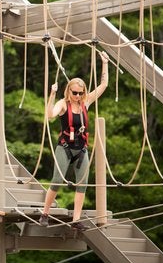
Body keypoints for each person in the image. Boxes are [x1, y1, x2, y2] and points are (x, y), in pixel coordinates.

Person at [39, 51, 110, 231]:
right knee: (57, 180)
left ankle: (76, 220)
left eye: (81, 93)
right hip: (65, 147)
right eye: (75, 93)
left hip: (81, 149)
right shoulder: (63, 104)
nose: (78, 96)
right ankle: (45, 213)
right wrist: (52, 95)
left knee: (82, 184)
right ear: (69, 91)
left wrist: (105, 63)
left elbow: (103, 85)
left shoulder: (85, 103)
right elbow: (49, 115)